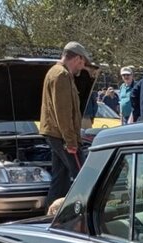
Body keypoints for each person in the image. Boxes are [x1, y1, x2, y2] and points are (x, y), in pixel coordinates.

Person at [39, 41, 91, 204]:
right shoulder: (61, 75)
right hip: (62, 136)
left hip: (55, 134)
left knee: (59, 179)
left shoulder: (54, 72)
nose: (82, 68)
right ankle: (84, 214)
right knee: (82, 177)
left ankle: (51, 216)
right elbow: (63, 112)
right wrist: (71, 141)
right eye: (82, 63)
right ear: (77, 58)